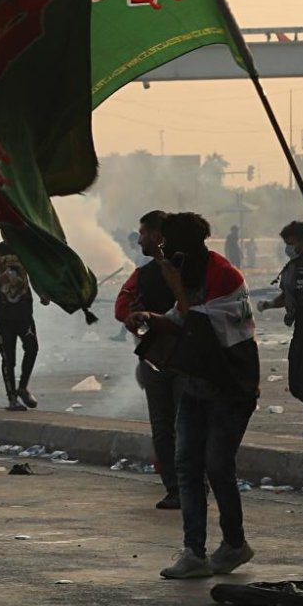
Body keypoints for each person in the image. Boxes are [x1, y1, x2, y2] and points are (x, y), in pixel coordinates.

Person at [126, 212, 258, 580]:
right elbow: (180, 318)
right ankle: (194, 551)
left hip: (231, 385)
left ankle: (234, 544)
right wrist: (148, 319)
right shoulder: (186, 271)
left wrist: (176, 288)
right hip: (198, 382)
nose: (162, 252)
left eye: (167, 244)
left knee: (217, 464)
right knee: (186, 464)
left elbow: (204, 324)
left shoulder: (224, 275)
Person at [115, 210, 181, 510]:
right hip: (184, 358)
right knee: (184, 425)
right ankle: (190, 485)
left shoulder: (147, 273)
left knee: (165, 427)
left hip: (161, 357)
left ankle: (177, 487)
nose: (139, 238)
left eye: (142, 233)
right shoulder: (194, 268)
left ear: (156, 236)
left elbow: (121, 307)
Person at [258, 221, 303, 438]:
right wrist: (269, 304)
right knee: (296, 387)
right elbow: (286, 297)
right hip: (299, 330)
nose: (288, 248)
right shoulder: (291, 268)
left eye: (291, 243)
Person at [0, 236, 43, 411]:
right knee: (8, 357)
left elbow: (34, 275)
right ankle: (12, 398)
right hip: (3, 312)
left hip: (24, 311)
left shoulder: (25, 249)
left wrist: (42, 294)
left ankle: (22, 387)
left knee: (32, 347)